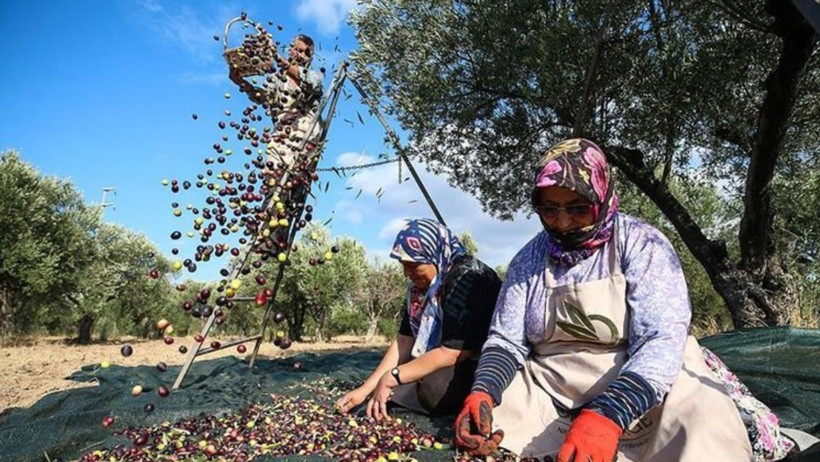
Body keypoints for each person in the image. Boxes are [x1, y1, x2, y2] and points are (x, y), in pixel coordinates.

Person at [454, 138, 796, 461]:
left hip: (638, 384)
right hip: (552, 385)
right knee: (496, 419)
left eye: (578, 208)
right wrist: (483, 390)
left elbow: (661, 340)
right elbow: (506, 340)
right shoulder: (528, 261)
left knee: (701, 419)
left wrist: (608, 413)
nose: (562, 222)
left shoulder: (644, 245)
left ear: (601, 198)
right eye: (549, 209)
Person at [335, 218, 502, 420]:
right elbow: (404, 341)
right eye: (403, 266)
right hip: (449, 354)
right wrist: (364, 390)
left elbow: (454, 352)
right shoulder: (420, 291)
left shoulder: (468, 279)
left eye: (413, 266)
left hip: (484, 358)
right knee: (417, 378)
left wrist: (392, 377)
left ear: (434, 256)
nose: (407, 274)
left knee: (434, 390)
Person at [227, 34, 324, 256]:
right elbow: (263, 97)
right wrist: (240, 82)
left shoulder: (313, 76)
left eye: (304, 52)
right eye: (296, 49)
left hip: (304, 137)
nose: (299, 54)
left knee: (293, 190)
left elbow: (312, 84)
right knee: (273, 182)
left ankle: (280, 239)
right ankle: (268, 241)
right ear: (290, 49)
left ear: (310, 57)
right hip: (281, 136)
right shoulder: (277, 80)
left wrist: (276, 57)